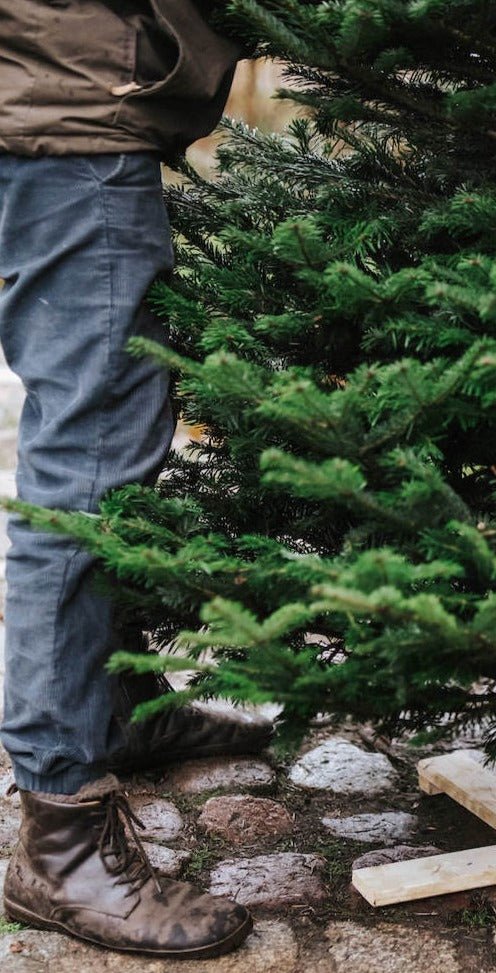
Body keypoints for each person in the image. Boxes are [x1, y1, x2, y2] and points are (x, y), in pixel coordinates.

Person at [0, 0, 273, 959]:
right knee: (87, 464)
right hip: (69, 110)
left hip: (59, 94)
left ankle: (116, 715)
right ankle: (63, 834)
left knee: (108, 447)